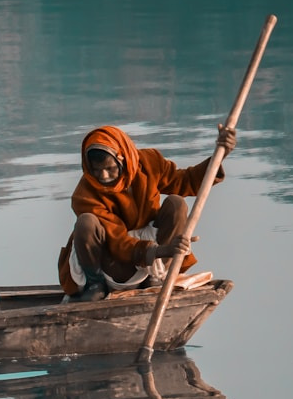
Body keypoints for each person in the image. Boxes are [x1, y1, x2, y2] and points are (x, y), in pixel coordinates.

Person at [59, 124, 237, 302]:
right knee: (86, 222)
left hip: (152, 253)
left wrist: (219, 156)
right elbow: (118, 242)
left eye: (109, 168)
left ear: (122, 158)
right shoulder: (85, 194)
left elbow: (184, 181)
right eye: (96, 171)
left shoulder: (149, 163)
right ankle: (95, 284)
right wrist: (160, 251)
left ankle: (157, 277)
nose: (104, 176)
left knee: (176, 204)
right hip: (113, 262)